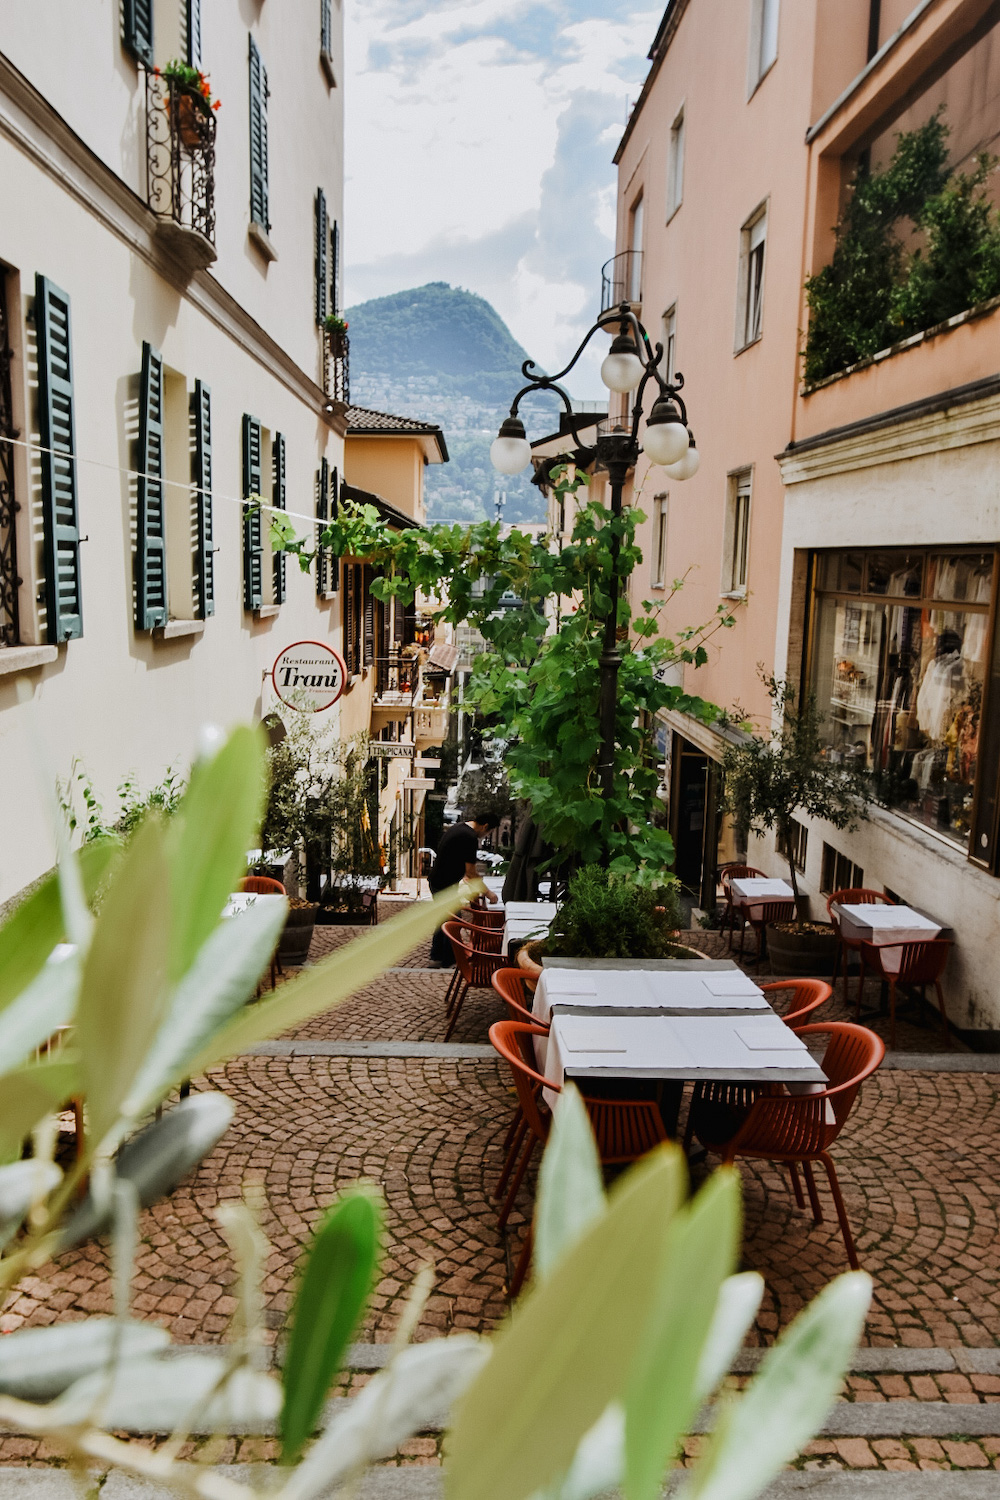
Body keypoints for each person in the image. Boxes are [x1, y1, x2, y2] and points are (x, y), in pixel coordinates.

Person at [427, 810, 500, 968]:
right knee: (453, 920)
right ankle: (449, 960)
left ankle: (437, 957)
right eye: (489, 832)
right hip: (444, 884)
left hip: (439, 881)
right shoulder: (469, 837)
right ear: (485, 826)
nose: (485, 836)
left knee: (446, 918)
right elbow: (471, 872)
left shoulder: (460, 827)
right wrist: (488, 893)